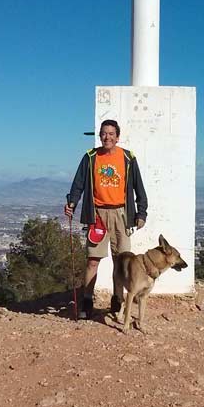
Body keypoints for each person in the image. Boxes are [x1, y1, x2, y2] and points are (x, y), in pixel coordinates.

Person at [64, 119, 148, 318]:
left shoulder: (128, 158)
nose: (107, 137)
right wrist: (72, 203)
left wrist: (141, 212)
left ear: (117, 137)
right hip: (98, 215)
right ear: (100, 135)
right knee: (93, 260)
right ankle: (86, 300)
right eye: (104, 133)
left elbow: (139, 187)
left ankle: (117, 299)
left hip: (121, 214)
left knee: (123, 262)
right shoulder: (90, 157)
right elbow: (78, 184)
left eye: (111, 133)